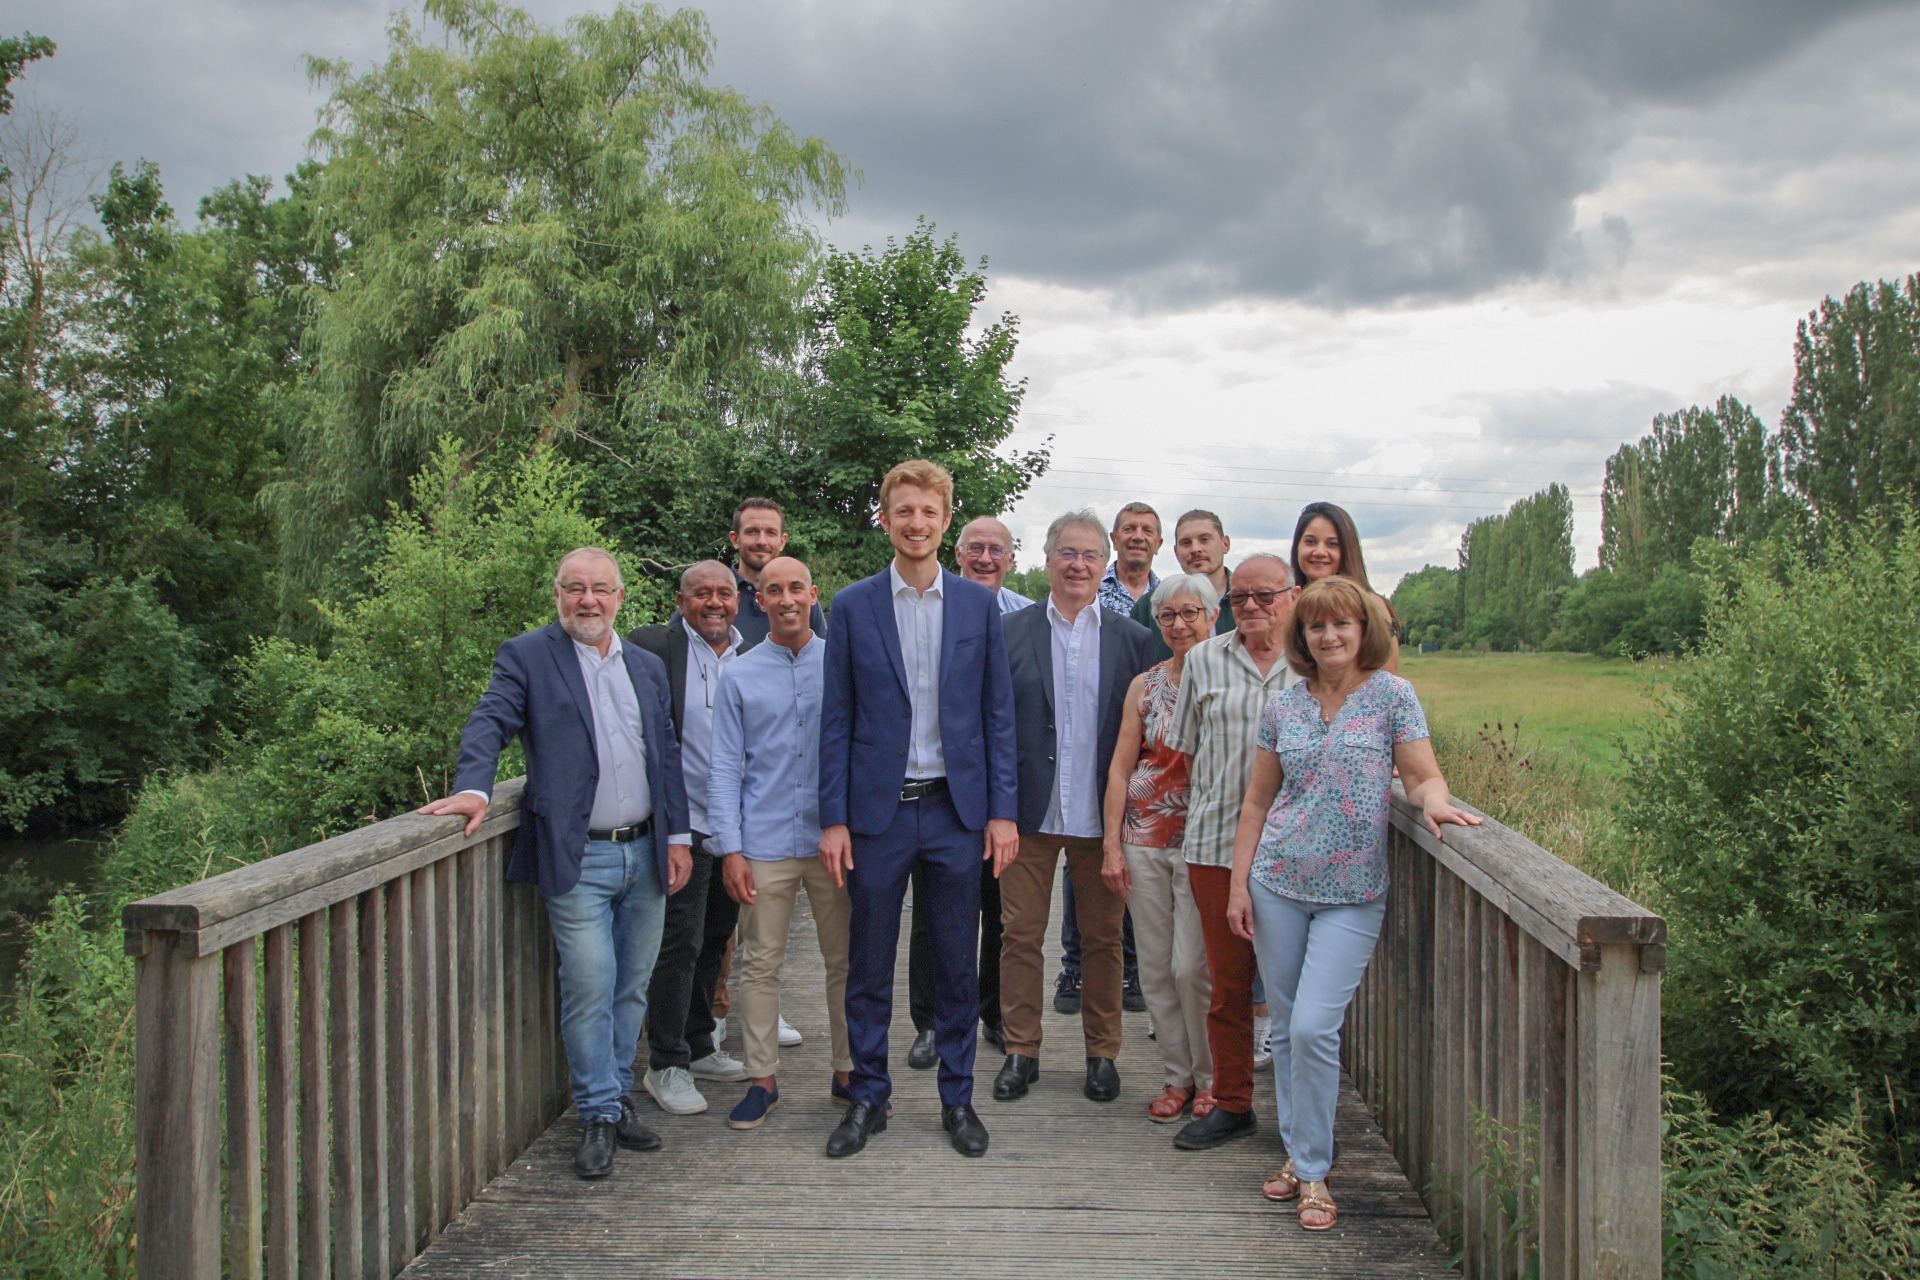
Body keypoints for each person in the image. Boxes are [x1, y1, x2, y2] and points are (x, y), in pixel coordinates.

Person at [419, 548, 692, 1179]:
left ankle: (617, 1098)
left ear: (621, 597)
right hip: (579, 856)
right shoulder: (528, 655)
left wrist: (678, 836)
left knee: (631, 987)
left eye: (600, 589)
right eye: (576, 589)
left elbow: (667, 756)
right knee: (590, 984)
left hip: (648, 853)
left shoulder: (645, 666)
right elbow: (490, 720)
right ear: (557, 595)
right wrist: (475, 787)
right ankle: (596, 1111)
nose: (588, 600)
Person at [1227, 576, 1480, 1229]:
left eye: (1342, 624)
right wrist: (1238, 883)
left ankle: (1310, 1169)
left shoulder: (1394, 696)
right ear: (1303, 638)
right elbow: (1258, 802)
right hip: (1278, 881)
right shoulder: (1284, 706)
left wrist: (1436, 803)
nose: (1330, 635)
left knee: (1313, 1025)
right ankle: (1303, 1159)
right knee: (1285, 1029)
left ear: (1363, 629)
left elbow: (1423, 775)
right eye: (1317, 627)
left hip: (1353, 893)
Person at [817, 459, 1019, 1159]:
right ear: (885, 518)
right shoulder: (852, 606)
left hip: (957, 812)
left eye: (928, 513)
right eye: (903, 511)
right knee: (869, 964)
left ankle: (957, 1099)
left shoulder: (976, 606)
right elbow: (835, 719)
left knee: (957, 963)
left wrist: (1003, 813)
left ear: (946, 521)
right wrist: (834, 818)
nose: (916, 524)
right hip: (878, 813)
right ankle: (868, 1098)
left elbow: (998, 715)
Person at [992, 511, 1154, 1105]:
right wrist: (998, 810)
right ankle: (1021, 1049)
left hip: (1102, 816)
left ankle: (1102, 1054)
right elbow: (995, 727)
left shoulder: (1133, 640)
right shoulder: (1010, 633)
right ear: (1047, 559)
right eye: (1067, 553)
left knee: (1104, 938)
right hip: (1028, 815)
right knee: (1020, 934)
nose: (1078, 564)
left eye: (1089, 555)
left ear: (1104, 561)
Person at [708, 556, 853, 1131]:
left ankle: (847, 1071)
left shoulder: (840, 665)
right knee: (760, 963)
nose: (787, 599)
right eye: (774, 590)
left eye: (797, 588)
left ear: (813, 594)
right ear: (759, 599)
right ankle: (762, 1079)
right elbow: (723, 767)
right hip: (763, 840)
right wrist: (730, 848)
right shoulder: (739, 674)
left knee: (843, 961)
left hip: (830, 839)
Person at [1161, 553, 1298, 1152]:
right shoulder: (1205, 661)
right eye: (1239, 597)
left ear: (1291, 596)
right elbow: (1186, 748)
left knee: (1296, 996)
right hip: (1216, 844)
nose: (1251, 607)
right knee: (1228, 986)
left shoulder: (1313, 662)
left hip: (1297, 851)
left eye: (1264, 595)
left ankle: (1302, 1120)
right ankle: (1233, 1103)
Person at [624, 562, 751, 1117]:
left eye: (724, 593)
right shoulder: (652, 651)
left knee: (717, 937)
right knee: (678, 942)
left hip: (733, 827)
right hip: (681, 825)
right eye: (702, 593)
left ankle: (700, 1043)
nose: (715, 602)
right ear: (681, 601)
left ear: (739, 601)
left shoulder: (751, 657)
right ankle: (665, 1062)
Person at [905, 515, 1027, 1072]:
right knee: (935, 912)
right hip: (940, 792)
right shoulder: (929, 606)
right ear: (957, 552)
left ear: (1011, 558)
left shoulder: (1029, 619)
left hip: (999, 788)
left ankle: (994, 1012)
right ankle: (929, 1022)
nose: (985, 557)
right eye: (975, 547)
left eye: (995, 549)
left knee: (1000, 910)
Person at [1101, 572, 1218, 1123]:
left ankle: (1212, 1077)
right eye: (1168, 615)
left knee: (1192, 966)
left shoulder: (1230, 679)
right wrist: (1111, 845)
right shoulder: (1144, 685)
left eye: (1191, 613)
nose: (1179, 624)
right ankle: (1177, 1077)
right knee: (1154, 967)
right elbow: (1122, 766)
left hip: (1205, 839)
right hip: (1145, 836)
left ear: (1213, 617)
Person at [1288, 501, 1399, 673]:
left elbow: (1387, 682)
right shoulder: (1285, 602)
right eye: (1310, 542)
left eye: (1332, 544)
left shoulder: (1371, 605)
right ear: (1297, 547)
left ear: (1348, 550)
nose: (1319, 551)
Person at [1129, 509, 1236, 663]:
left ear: (1225, 544)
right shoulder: (1149, 607)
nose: (1195, 549)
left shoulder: (1248, 601)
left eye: (1205, 539)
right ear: (1176, 552)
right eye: (1186, 543)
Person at [729, 497, 828, 645]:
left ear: (782, 541)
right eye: (752, 532)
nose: (762, 541)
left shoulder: (801, 598)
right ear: (735, 539)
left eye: (771, 533)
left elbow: (824, 656)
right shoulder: (718, 596)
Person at [1098, 501, 1162, 616]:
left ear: (1158, 544)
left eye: (1148, 531)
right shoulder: (1092, 592)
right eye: (1128, 529)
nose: (1138, 537)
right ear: (1114, 540)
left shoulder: (1168, 597)